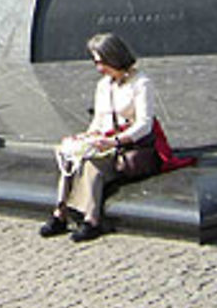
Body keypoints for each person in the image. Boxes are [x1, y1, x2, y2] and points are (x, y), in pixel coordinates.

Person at [40, 32, 158, 242]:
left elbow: (144, 125)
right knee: (70, 159)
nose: (99, 68)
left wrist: (115, 141)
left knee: (93, 165)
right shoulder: (104, 85)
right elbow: (99, 120)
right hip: (107, 141)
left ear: (115, 58)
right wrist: (85, 137)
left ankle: (92, 219)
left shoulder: (141, 83)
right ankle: (60, 213)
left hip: (129, 146)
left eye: (101, 62)